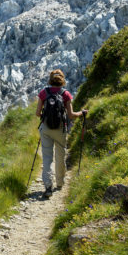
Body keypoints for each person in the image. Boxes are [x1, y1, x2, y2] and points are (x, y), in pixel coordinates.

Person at [35, 69, 87, 198]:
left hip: (45, 129)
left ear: (50, 79)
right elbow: (71, 115)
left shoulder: (43, 93)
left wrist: (46, 118)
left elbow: (37, 113)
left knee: (47, 158)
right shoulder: (65, 94)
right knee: (60, 155)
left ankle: (48, 186)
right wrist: (82, 113)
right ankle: (60, 183)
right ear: (62, 80)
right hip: (60, 129)